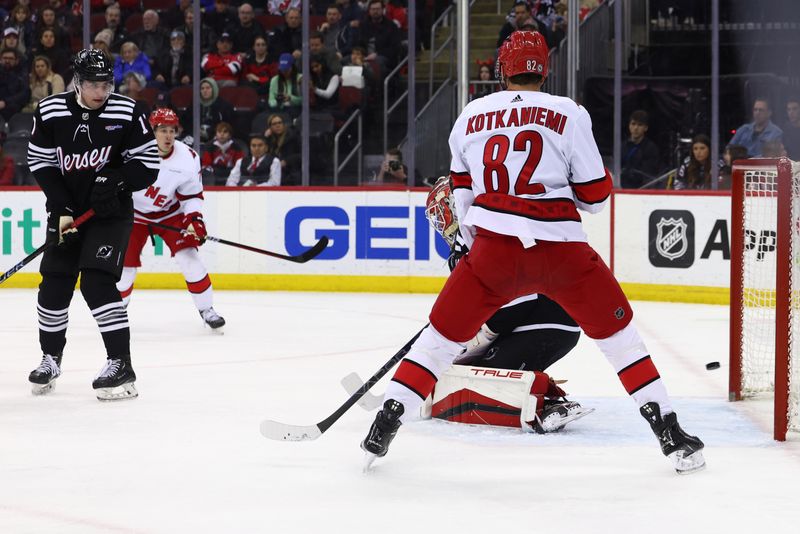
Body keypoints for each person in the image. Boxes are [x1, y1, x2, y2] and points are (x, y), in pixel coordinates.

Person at [360, 31, 705, 474]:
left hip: (493, 253)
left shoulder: (471, 114)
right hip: (562, 253)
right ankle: (670, 434)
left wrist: (469, 245)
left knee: (437, 343)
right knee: (622, 342)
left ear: (502, 69)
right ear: (546, 68)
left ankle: (387, 420)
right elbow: (597, 197)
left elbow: (461, 194)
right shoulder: (569, 113)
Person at [25, 49, 159, 401]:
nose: (101, 92)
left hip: (109, 215)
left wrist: (115, 180)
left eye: (106, 84)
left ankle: (121, 364)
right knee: (54, 284)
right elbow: (40, 161)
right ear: (77, 83)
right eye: (93, 85)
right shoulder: (51, 110)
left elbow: (147, 164)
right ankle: (50, 358)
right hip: (68, 214)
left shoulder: (128, 112)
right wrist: (61, 204)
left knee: (97, 283)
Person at [117, 108, 226, 332]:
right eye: (162, 130)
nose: (168, 136)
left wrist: (194, 219)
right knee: (125, 266)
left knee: (189, 258)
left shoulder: (188, 158)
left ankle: (207, 310)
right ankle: (117, 312)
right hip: (134, 215)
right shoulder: (131, 151)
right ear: (151, 131)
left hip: (170, 214)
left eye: (172, 130)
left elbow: (192, 196)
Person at [620, 110, 661, 188]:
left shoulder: (651, 148)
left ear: (645, 128)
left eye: (640, 125)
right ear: (629, 125)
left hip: (642, 188)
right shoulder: (623, 146)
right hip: (622, 187)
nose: (635, 128)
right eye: (633, 124)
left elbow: (649, 174)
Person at [264, 113, 300, 185]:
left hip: (292, 174)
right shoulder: (270, 139)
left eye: (280, 122)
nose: (278, 125)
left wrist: (286, 161)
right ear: (270, 127)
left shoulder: (293, 136)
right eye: (274, 124)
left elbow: (303, 155)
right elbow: (264, 155)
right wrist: (265, 138)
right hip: (274, 175)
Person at [268, 53, 302, 118]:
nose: (284, 72)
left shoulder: (300, 78)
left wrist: (290, 98)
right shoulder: (274, 80)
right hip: (279, 110)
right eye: (282, 69)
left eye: (287, 69)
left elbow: (304, 100)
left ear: (293, 67)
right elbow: (271, 100)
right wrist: (278, 101)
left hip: (296, 109)